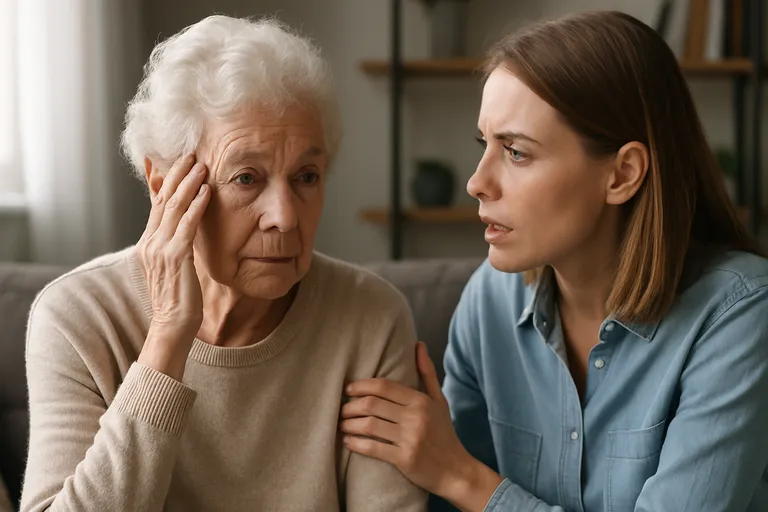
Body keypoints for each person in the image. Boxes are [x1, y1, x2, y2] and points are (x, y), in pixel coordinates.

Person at [340, 10, 768, 512]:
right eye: (485, 144)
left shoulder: (739, 314)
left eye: (516, 153)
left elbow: (459, 477)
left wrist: (460, 476)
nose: (477, 182)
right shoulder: (490, 300)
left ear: (622, 174)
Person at [20, 15, 427, 512]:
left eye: (306, 176)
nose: (284, 217)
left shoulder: (370, 317)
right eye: (246, 178)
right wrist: (168, 338)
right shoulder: (78, 317)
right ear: (161, 185)